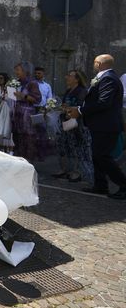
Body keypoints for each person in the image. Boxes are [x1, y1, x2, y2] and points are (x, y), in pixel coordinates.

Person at [67, 54, 126, 200]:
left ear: (98, 64)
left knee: (103, 156)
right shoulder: (107, 77)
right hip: (100, 124)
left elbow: (103, 102)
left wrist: (80, 111)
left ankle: (124, 185)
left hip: (106, 125)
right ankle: (100, 185)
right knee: (97, 156)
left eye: (94, 62)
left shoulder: (108, 79)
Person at [53, 70, 93, 183]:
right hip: (65, 121)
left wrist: (69, 107)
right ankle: (65, 169)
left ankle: (76, 172)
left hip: (76, 123)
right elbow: (65, 103)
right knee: (64, 146)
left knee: (76, 146)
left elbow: (80, 106)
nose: (67, 77)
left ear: (77, 79)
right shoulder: (68, 90)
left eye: (70, 76)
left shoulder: (82, 91)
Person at [11, 61, 42, 163]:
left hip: (27, 115)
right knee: (18, 137)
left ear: (25, 71)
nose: (16, 72)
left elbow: (37, 99)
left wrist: (23, 96)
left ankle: (29, 162)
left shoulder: (32, 83)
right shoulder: (17, 82)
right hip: (17, 114)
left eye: (18, 70)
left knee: (28, 139)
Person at [0, 72, 14, 153]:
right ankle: (0, 147)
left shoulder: (10, 87)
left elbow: (13, 99)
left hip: (7, 109)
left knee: (6, 127)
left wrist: (6, 97)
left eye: (1, 78)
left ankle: (9, 148)